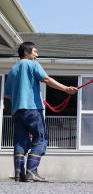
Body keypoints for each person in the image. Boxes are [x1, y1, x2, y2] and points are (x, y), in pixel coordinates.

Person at [4, 41, 78, 182]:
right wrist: (66, 89)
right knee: (40, 139)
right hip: (32, 109)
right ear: (26, 52)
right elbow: (46, 79)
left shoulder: (12, 70)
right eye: (35, 52)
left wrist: (20, 94)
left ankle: (19, 173)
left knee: (20, 142)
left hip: (17, 111)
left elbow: (7, 95)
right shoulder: (33, 65)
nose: (37, 55)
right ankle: (31, 171)